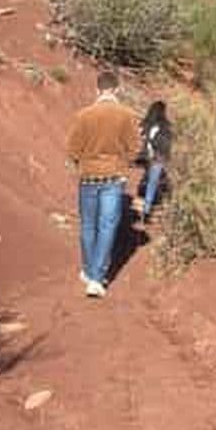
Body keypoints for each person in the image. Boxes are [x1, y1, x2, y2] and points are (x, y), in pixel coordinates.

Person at [66, 70, 141, 298]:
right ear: (116, 89)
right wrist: (123, 164)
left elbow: (72, 150)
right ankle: (97, 279)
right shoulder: (127, 115)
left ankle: (90, 271)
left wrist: (84, 162)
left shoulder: (83, 115)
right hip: (114, 178)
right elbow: (135, 149)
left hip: (88, 177)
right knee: (107, 226)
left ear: (97, 89)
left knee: (89, 225)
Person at [139, 100, 172, 223]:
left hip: (147, 157)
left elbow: (142, 138)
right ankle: (149, 210)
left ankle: (147, 210)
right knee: (156, 183)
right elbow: (166, 144)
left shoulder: (146, 124)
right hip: (159, 157)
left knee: (151, 182)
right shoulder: (164, 126)